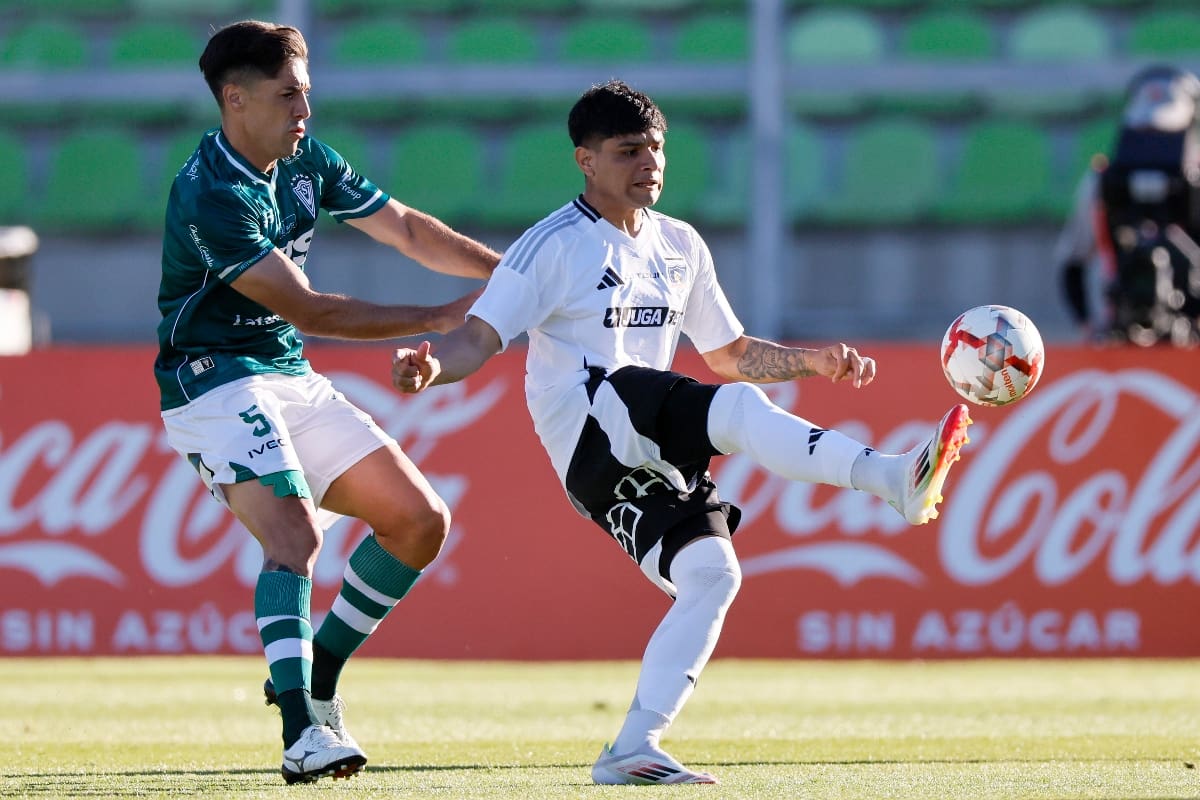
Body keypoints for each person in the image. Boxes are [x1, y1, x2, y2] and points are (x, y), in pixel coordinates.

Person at [390, 79, 972, 785]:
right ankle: (891, 476)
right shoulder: (550, 246)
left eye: (656, 149)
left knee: (713, 576)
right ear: (585, 160)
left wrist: (813, 362)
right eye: (628, 151)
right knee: (736, 409)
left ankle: (633, 747)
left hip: (643, 448)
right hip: (590, 425)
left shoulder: (680, 245)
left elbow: (729, 353)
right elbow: (479, 338)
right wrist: (432, 369)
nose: (649, 163)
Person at [153, 20, 501, 784]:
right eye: (287, 95)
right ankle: (300, 734)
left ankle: (320, 677)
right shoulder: (209, 192)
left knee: (418, 522)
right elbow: (311, 309)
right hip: (212, 379)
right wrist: (439, 315)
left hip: (285, 371)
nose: (304, 111)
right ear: (236, 99)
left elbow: (406, 229)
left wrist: (510, 275)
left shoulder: (305, 157)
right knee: (294, 535)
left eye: (306, 93)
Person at [1055, 63, 1200, 347]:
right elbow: (1073, 261)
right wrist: (1089, 325)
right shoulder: (1101, 182)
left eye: (1165, 136)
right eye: (1146, 132)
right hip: (1118, 337)